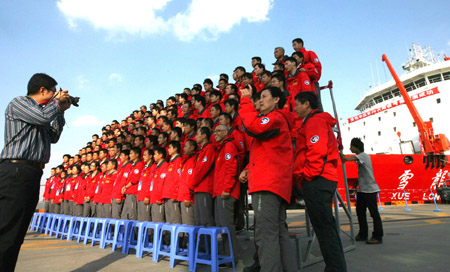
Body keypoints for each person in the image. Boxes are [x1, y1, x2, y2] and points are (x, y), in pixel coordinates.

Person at [0, 73, 71, 271]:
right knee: (6, 232)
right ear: (43, 90)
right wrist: (56, 102)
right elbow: (42, 116)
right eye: (53, 92)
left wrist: (61, 111)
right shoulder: (19, 103)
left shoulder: (45, 112)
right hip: (15, 170)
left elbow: (53, 136)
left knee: (16, 235)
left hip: (30, 174)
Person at [239, 86, 297, 272]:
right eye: (258, 98)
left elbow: (252, 127)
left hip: (267, 185)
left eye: (264, 97)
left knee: (265, 235)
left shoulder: (274, 118)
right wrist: (249, 169)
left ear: (276, 100)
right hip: (274, 183)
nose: (259, 101)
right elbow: (268, 152)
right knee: (279, 233)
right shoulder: (276, 121)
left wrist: (246, 102)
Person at [293, 91, 347, 271]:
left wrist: (308, 176)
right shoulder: (316, 121)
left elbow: (316, 151)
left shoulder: (315, 121)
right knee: (328, 228)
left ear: (306, 104)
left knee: (324, 229)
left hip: (317, 179)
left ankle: (335, 268)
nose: (295, 108)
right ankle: (336, 267)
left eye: (297, 104)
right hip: (322, 178)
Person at [341, 138, 383, 244]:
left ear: (356, 147)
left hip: (370, 190)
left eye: (351, 146)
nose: (350, 148)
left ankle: (378, 236)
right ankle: (363, 234)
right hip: (363, 190)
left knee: (374, 213)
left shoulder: (363, 155)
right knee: (360, 212)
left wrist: (343, 157)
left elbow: (352, 158)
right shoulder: (361, 158)